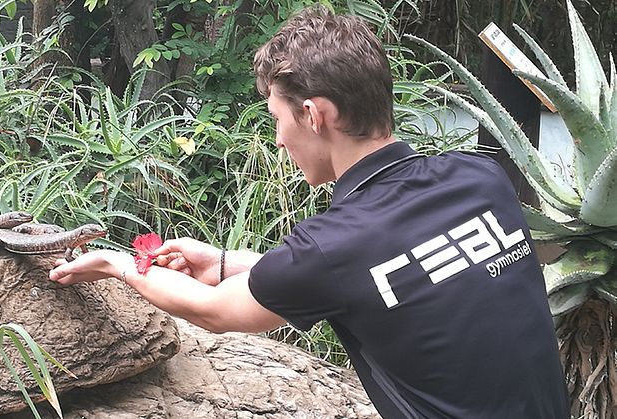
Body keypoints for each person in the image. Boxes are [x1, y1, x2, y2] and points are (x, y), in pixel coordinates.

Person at [49, 5, 569, 418]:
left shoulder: (336, 244)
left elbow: (217, 312)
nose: (278, 140)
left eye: (277, 118)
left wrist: (117, 264)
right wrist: (226, 263)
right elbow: (398, 267)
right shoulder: (480, 180)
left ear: (314, 115)